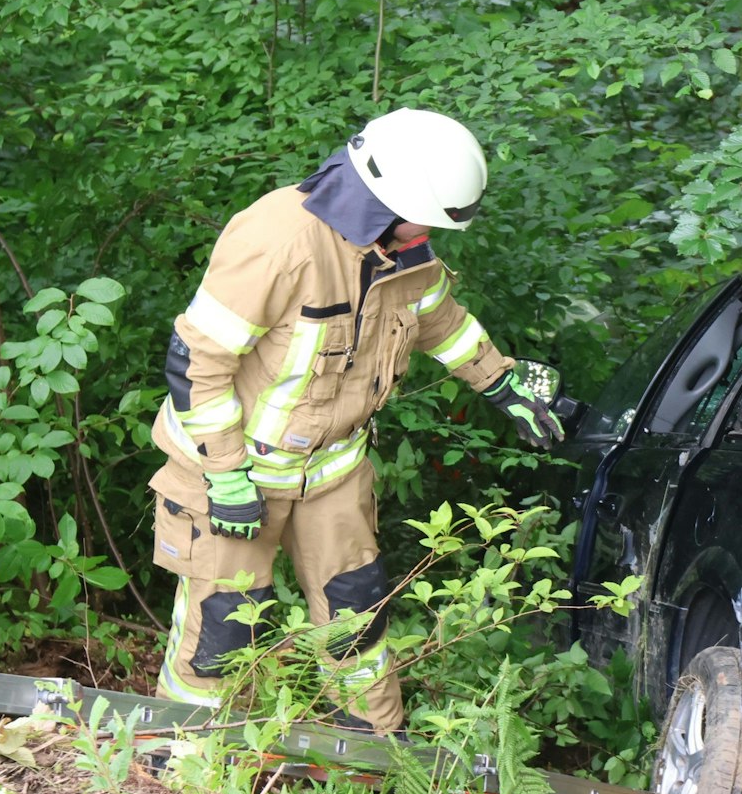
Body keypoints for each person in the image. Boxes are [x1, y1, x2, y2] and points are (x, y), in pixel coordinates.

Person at [148, 108, 562, 732]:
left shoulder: (403, 247)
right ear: (392, 200)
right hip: (233, 472)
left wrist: (498, 379)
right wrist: (226, 475)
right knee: (224, 632)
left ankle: (372, 766)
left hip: (333, 472)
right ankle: (186, 763)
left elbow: (437, 319)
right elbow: (197, 361)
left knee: (357, 623)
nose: (431, 234)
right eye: (428, 218)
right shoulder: (279, 240)